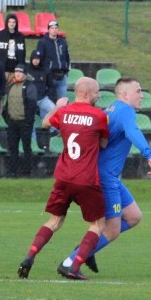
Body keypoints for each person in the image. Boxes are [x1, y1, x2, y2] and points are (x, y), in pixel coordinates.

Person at [58, 77, 151, 275]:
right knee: (111, 230)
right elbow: (132, 131)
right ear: (124, 95)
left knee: (134, 216)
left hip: (107, 176)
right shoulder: (126, 110)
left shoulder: (111, 109)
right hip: (105, 178)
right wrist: (149, 154)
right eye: (138, 91)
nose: (142, 95)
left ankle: (85, 249)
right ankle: (70, 263)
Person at [17, 77, 108, 281]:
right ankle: (74, 267)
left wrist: (57, 107)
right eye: (96, 92)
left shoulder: (64, 112)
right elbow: (103, 144)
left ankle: (29, 257)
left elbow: (45, 122)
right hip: (85, 179)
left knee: (54, 221)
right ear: (86, 93)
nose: (99, 95)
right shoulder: (98, 116)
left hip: (63, 176)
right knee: (97, 224)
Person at [2, 64, 38, 178]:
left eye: (20, 72)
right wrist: (8, 118)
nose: (17, 73)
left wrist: (28, 121)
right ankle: (12, 171)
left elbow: (32, 105)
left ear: (24, 74)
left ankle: (27, 172)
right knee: (13, 148)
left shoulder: (29, 86)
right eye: (16, 71)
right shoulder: (11, 86)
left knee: (26, 147)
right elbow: (6, 104)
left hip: (24, 122)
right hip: (12, 122)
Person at [27, 49, 56, 150]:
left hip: (42, 99)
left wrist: (47, 95)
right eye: (34, 59)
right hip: (30, 100)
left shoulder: (45, 70)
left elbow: (51, 86)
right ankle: (34, 143)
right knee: (29, 120)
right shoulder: (27, 70)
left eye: (38, 59)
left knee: (55, 110)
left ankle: (53, 132)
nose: (36, 61)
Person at [35, 19, 71, 101]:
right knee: (49, 101)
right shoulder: (42, 42)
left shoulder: (63, 41)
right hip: (50, 76)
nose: (54, 30)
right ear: (48, 29)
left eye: (56, 28)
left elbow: (67, 56)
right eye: (52, 28)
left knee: (62, 101)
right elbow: (39, 58)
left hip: (62, 76)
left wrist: (67, 70)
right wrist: (43, 73)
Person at [0, 13, 26, 79]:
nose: (11, 24)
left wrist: (21, 68)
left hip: (16, 71)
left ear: (16, 23)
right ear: (6, 22)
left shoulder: (21, 36)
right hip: (2, 69)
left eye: (14, 22)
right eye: (10, 22)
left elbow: (23, 54)